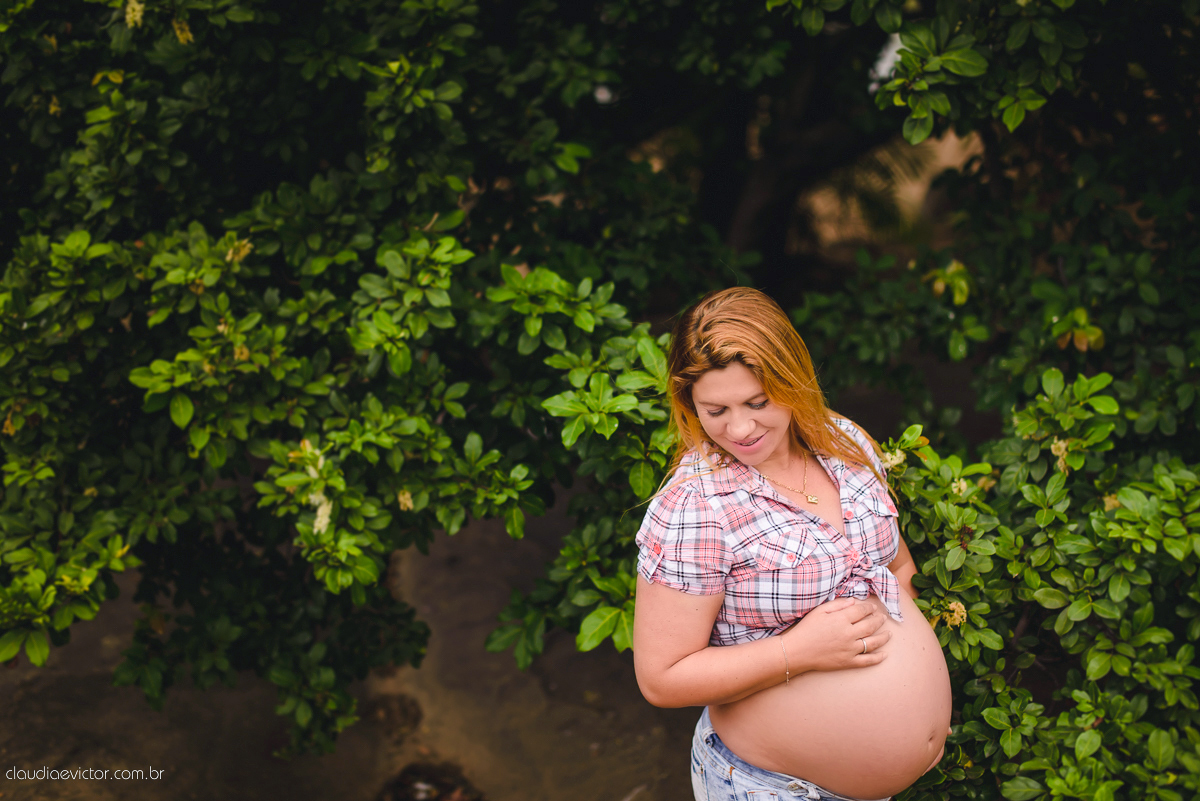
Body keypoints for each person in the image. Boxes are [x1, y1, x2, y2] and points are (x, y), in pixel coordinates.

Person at [632, 287, 952, 801]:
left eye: (758, 402)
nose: (739, 428)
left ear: (791, 377)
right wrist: (797, 651)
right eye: (715, 410)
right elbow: (662, 678)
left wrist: (920, 711)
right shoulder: (695, 506)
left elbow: (895, 566)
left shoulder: (844, 442)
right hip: (775, 788)